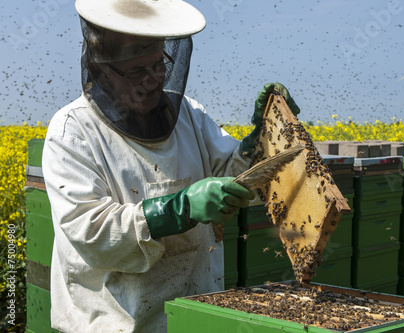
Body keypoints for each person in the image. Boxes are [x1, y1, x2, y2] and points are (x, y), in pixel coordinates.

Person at [42, 0, 300, 332]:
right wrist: (179, 209)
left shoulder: (188, 115)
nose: (153, 79)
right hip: (116, 322)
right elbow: (91, 233)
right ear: (99, 68)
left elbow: (236, 179)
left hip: (195, 312)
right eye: (137, 71)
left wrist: (265, 137)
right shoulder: (72, 132)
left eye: (160, 64)